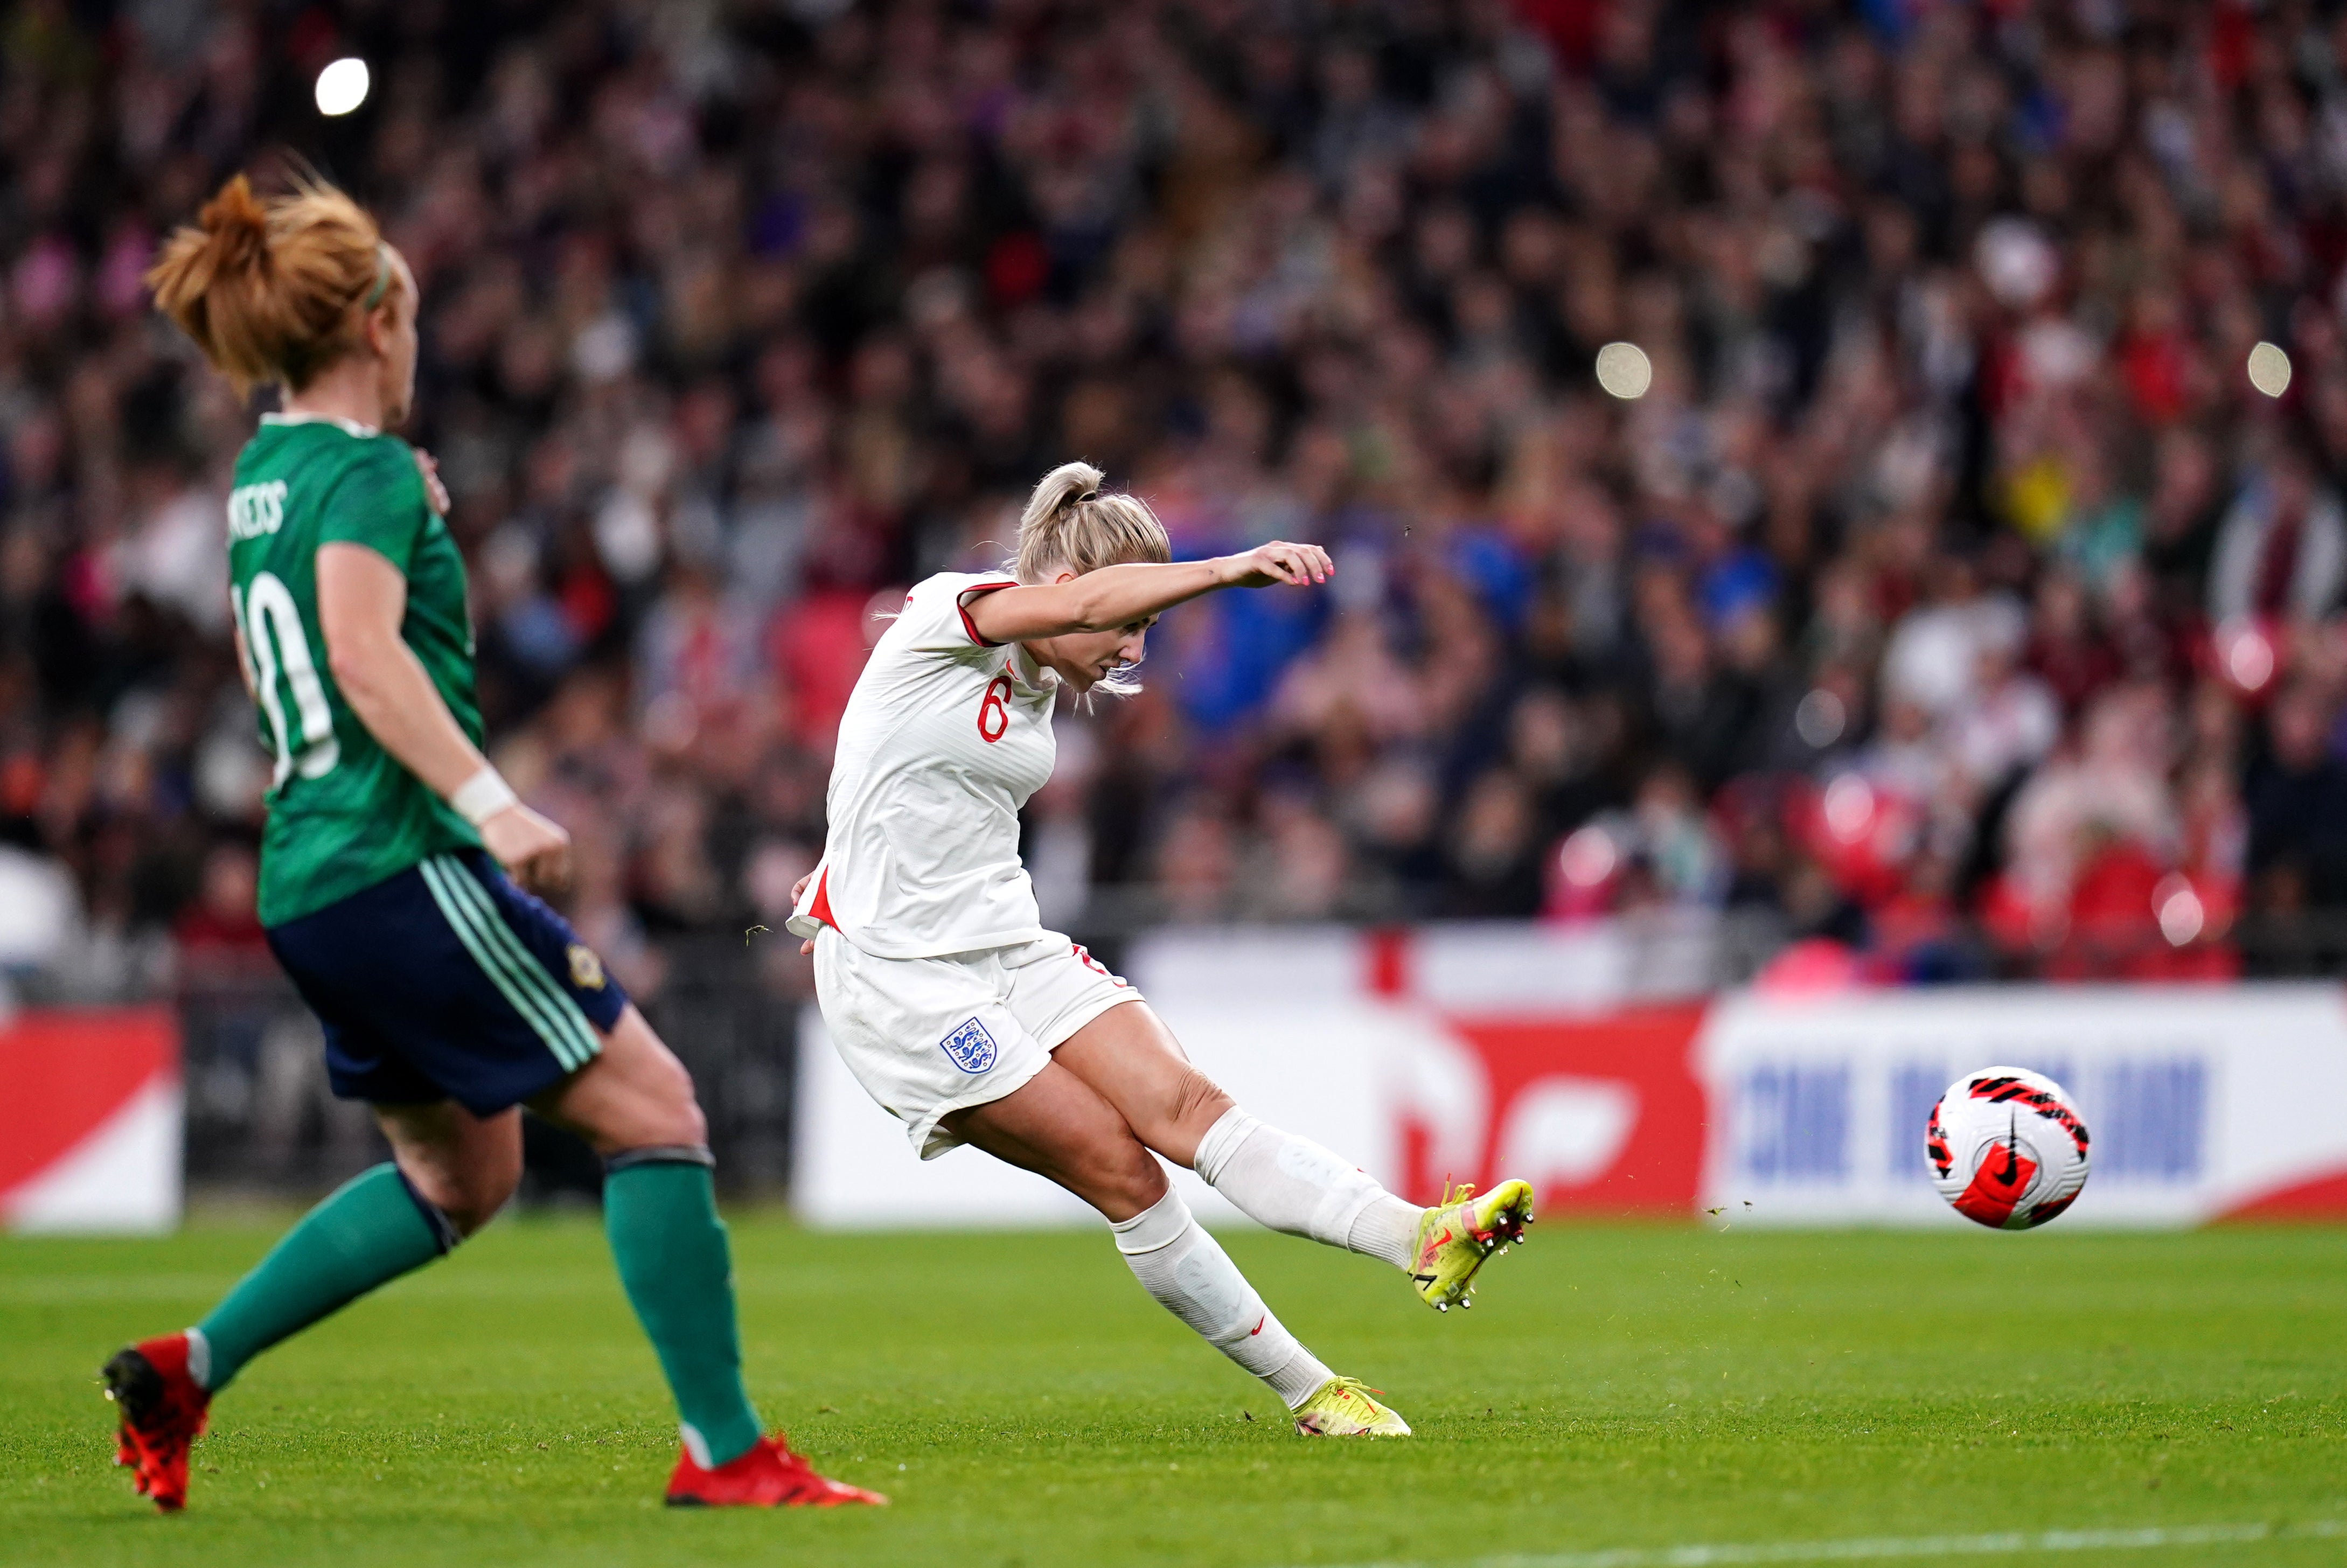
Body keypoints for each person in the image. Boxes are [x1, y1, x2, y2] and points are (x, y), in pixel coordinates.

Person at [105, 173, 882, 1513]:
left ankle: (194, 1366)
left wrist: (388, 497)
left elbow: (280, 636)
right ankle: (725, 1450)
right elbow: (356, 648)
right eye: (413, 316)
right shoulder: (361, 476)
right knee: (656, 1110)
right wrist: (490, 799)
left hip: (310, 875)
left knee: (466, 1174)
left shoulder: (267, 476)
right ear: (377, 320)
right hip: (399, 859)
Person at [788, 461, 1535, 1437]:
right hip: (901, 979)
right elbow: (1085, 598)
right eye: (1127, 625)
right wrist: (1228, 569)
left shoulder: (1039, 676)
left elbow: (1082, 616)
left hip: (1008, 944)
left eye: (1144, 631)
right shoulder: (943, 613)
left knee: (1189, 1105)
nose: (1132, 647)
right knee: (1123, 1171)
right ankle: (1312, 1393)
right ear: (1064, 594)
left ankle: (1421, 1238)